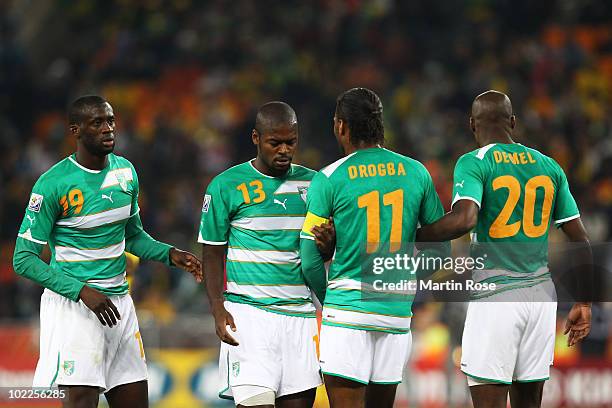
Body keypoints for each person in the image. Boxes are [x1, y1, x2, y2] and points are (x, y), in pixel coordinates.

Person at [13, 95, 202, 408]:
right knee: (82, 401)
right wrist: (81, 291)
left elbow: (134, 237)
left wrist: (171, 254)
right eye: (97, 122)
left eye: (110, 121)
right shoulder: (52, 184)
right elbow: (23, 259)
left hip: (119, 306)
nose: (108, 128)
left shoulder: (126, 173)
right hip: (75, 309)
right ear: (75, 130)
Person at [416, 90, 592, 408]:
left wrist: (417, 235)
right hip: (540, 299)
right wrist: (584, 301)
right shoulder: (549, 166)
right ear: (512, 122)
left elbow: (465, 219)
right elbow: (580, 238)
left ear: (472, 124)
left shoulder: (474, 163)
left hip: (496, 298)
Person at [300, 87, 448, 408]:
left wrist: (330, 300)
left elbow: (309, 258)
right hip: (395, 315)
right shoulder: (416, 172)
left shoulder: (329, 178)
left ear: (341, 126)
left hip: (347, 311)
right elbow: (440, 251)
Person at [198, 101, 321, 407]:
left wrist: (328, 243)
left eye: (290, 142)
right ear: (256, 138)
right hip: (249, 318)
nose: (284, 150)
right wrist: (217, 306)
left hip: (300, 318)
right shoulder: (226, 186)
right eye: (274, 142)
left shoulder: (315, 184)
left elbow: (321, 249)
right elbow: (212, 253)